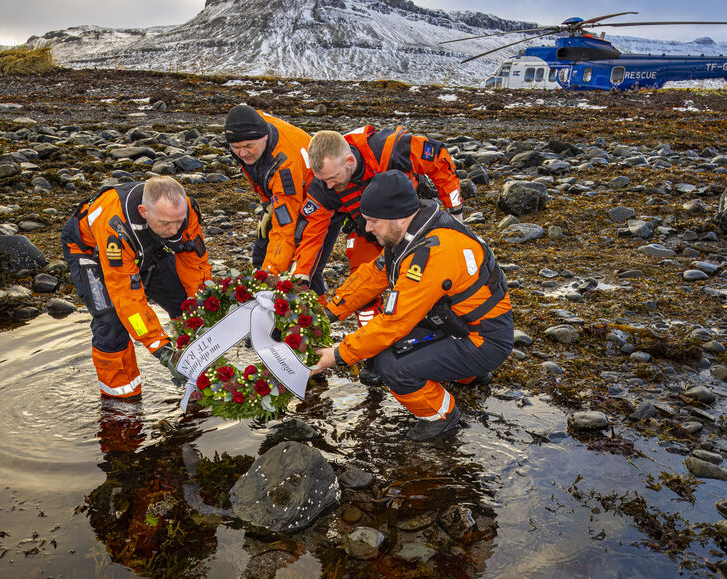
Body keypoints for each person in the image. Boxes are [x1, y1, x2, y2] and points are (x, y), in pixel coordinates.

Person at [310, 171, 512, 442]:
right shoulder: (410, 232)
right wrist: (328, 313)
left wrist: (336, 355)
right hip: (461, 324)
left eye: (372, 222)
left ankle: (441, 416)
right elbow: (374, 275)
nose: (367, 228)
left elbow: (394, 322)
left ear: (398, 216)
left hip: (483, 339)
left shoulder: (432, 252)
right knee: (387, 345)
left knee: (390, 364)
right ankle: (469, 374)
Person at [61, 176, 211, 399]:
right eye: (166, 223)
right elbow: (127, 298)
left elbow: (194, 264)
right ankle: (121, 400)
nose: (174, 231)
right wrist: (161, 349)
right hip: (92, 254)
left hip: (148, 247)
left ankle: (194, 370)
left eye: (178, 222)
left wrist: (201, 310)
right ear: (143, 211)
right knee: (110, 321)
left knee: (183, 301)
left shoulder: (184, 211)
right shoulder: (114, 226)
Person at [297, 127, 465, 315]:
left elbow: (439, 161)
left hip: (414, 224)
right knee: (361, 286)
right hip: (367, 229)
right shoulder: (323, 183)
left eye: (333, 178)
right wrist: (301, 275)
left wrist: (454, 213)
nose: (328, 185)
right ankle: (367, 336)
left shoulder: (392, 148)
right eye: (324, 180)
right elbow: (311, 232)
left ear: (349, 161)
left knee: (427, 282)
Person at [224, 104, 313, 279]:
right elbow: (254, 172)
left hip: (320, 195)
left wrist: (268, 276)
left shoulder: (284, 167)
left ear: (264, 137)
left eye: (249, 146)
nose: (242, 153)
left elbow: (285, 228)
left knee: (306, 267)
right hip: (281, 193)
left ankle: (320, 305)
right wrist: (268, 204)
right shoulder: (249, 124)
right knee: (261, 251)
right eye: (236, 147)